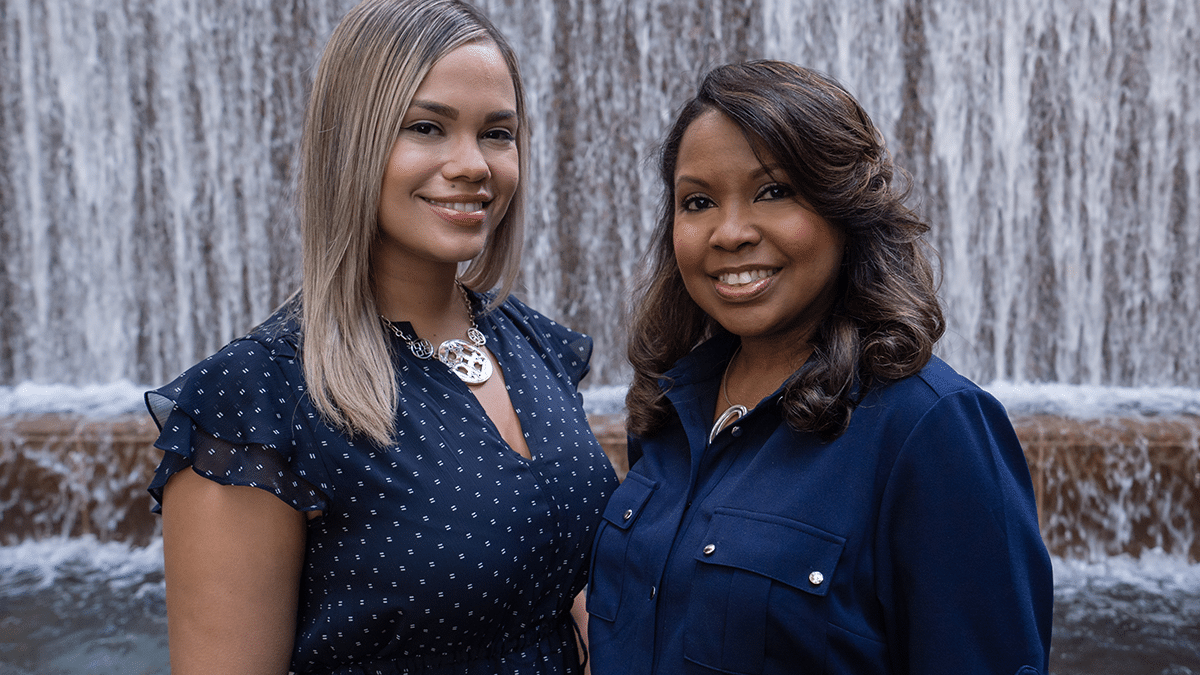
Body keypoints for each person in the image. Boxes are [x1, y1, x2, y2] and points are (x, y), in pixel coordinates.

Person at [144, 1, 618, 673]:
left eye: (497, 133)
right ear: (351, 142)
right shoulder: (259, 400)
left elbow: (567, 583)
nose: (473, 164)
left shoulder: (533, 343)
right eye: (427, 127)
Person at [586, 61, 1053, 674]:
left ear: (846, 206)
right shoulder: (670, 407)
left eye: (773, 191)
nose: (728, 233)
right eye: (697, 202)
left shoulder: (932, 429)